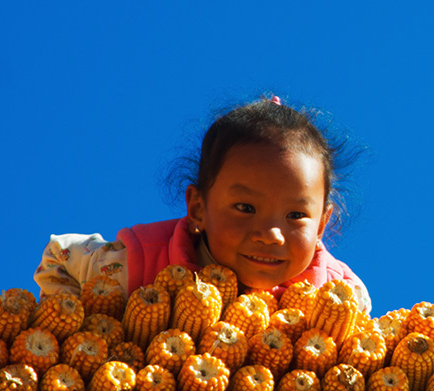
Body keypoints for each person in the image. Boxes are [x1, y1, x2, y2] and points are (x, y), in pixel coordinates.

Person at [34, 96, 370, 314]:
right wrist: (69, 330)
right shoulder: (136, 266)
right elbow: (61, 259)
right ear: (197, 209)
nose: (271, 235)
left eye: (295, 215)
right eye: (246, 208)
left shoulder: (339, 295)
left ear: (322, 225)